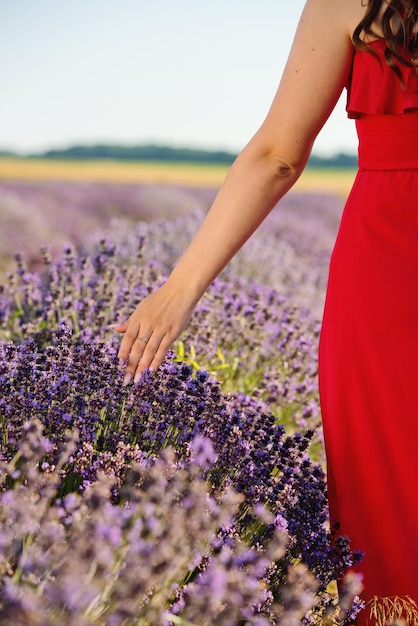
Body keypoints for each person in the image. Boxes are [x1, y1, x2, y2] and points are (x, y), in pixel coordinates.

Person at [115, 0, 418, 623]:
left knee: (391, 498)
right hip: (386, 275)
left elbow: (279, 155)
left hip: (389, 276)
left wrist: (180, 288)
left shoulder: (350, 5)